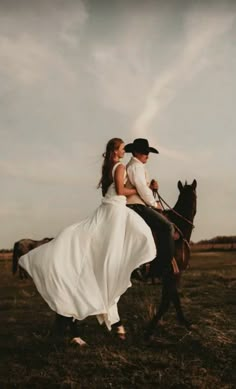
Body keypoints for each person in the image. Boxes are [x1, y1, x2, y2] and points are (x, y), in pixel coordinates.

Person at [19, 138, 156, 345]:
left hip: (111, 209)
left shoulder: (109, 167)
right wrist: (139, 190)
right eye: (121, 149)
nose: (123, 152)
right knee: (142, 234)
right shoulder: (119, 167)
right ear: (116, 152)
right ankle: (138, 267)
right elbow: (120, 191)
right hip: (116, 211)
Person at [125, 138, 176, 278]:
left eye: (148, 152)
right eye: (144, 152)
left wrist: (152, 188)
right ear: (135, 152)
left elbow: (142, 187)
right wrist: (154, 203)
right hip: (135, 206)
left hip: (138, 204)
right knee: (167, 227)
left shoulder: (137, 166)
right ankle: (162, 266)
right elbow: (141, 188)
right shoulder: (136, 166)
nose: (147, 155)